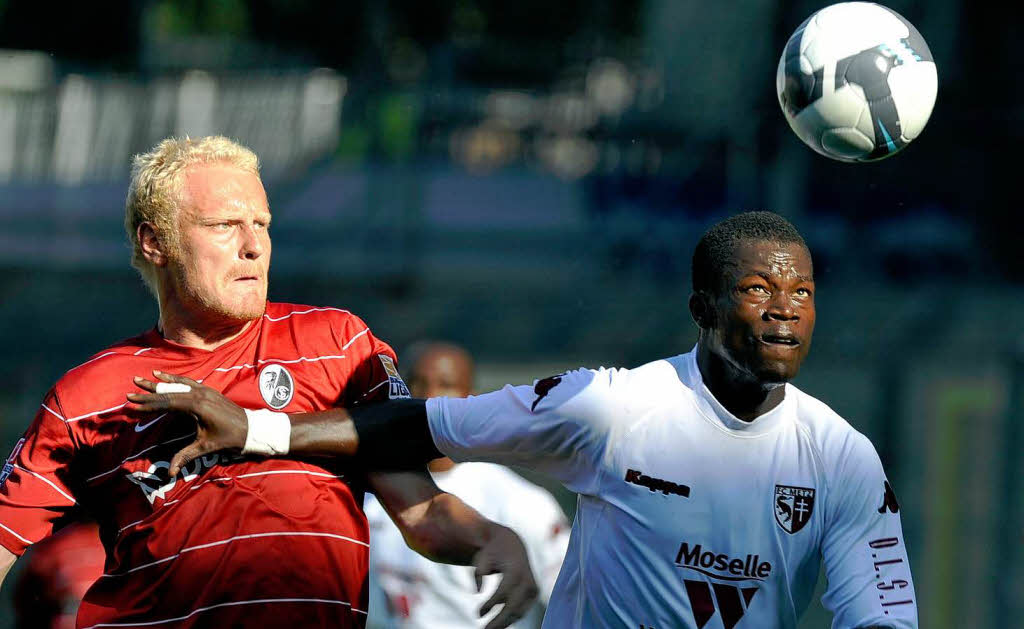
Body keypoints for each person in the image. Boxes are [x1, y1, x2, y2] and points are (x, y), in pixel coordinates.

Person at [124, 210, 919, 628]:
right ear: (702, 308)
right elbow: (426, 428)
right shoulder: (613, 407)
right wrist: (260, 429)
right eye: (758, 291)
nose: (784, 312)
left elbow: (879, 614)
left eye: (803, 294)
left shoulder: (843, 460)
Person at [0, 136, 537, 628]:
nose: (253, 246)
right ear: (154, 242)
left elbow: (420, 510)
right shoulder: (89, 393)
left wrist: (492, 537)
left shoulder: (338, 345)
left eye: (262, 224)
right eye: (224, 225)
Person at [364, 341, 570, 628]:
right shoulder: (373, 494)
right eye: (416, 383)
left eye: (446, 385)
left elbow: (576, 601)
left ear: (470, 399)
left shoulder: (520, 502)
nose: (429, 396)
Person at [12, 521, 104, 629]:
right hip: (68, 615)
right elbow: (25, 593)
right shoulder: (54, 545)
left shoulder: (53, 543)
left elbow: (23, 596)